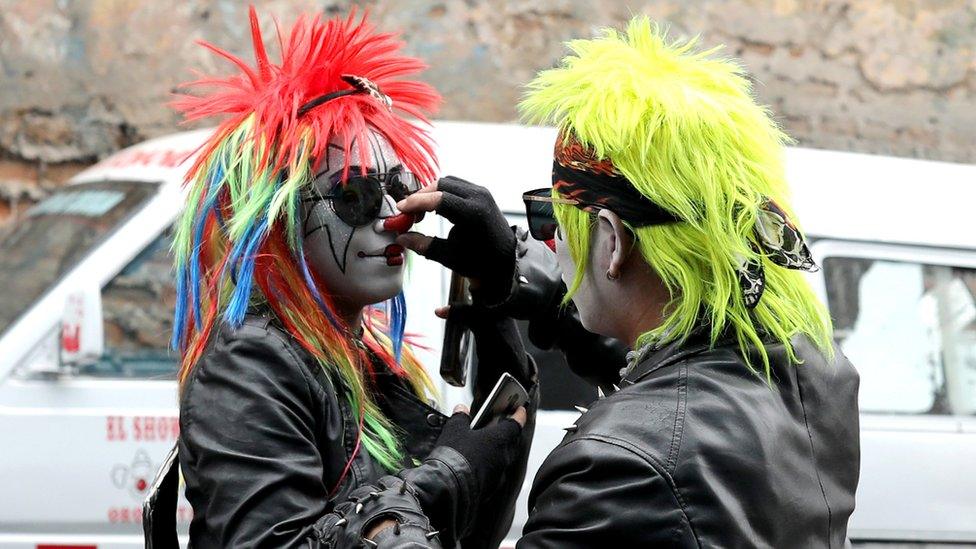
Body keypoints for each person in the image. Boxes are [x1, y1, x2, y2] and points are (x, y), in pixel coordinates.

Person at [312, 16, 861, 548]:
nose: (550, 245)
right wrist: (535, 295)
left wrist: (418, 496)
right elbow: (680, 374)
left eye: (554, 223)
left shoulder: (620, 467)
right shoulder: (815, 372)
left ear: (613, 241)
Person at [142, 9, 544, 549]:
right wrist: (446, 476)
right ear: (279, 221)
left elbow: (471, 533)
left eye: (400, 190)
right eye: (354, 197)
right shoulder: (249, 363)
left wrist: (494, 300)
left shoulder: (365, 363)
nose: (391, 217)